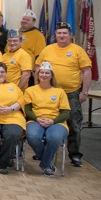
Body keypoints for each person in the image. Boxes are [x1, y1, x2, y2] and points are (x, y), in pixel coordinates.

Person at [35, 21, 92, 168]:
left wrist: (84, 91)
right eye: (59, 33)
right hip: (49, 92)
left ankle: (74, 154)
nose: (61, 35)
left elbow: (87, 71)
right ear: (55, 35)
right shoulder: (47, 49)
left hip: (71, 93)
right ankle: (46, 152)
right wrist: (37, 88)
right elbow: (37, 68)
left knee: (74, 123)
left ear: (70, 35)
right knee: (46, 121)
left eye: (64, 33)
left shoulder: (77, 50)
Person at [24, 62, 71, 176]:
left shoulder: (59, 92)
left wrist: (53, 121)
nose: (44, 75)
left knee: (55, 138)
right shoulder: (30, 90)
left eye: (47, 73)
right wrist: (37, 119)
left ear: (51, 75)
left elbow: (65, 112)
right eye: (42, 73)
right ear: (38, 75)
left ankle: (45, 163)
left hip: (56, 121)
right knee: (32, 136)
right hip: (36, 120)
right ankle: (47, 161)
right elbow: (28, 110)